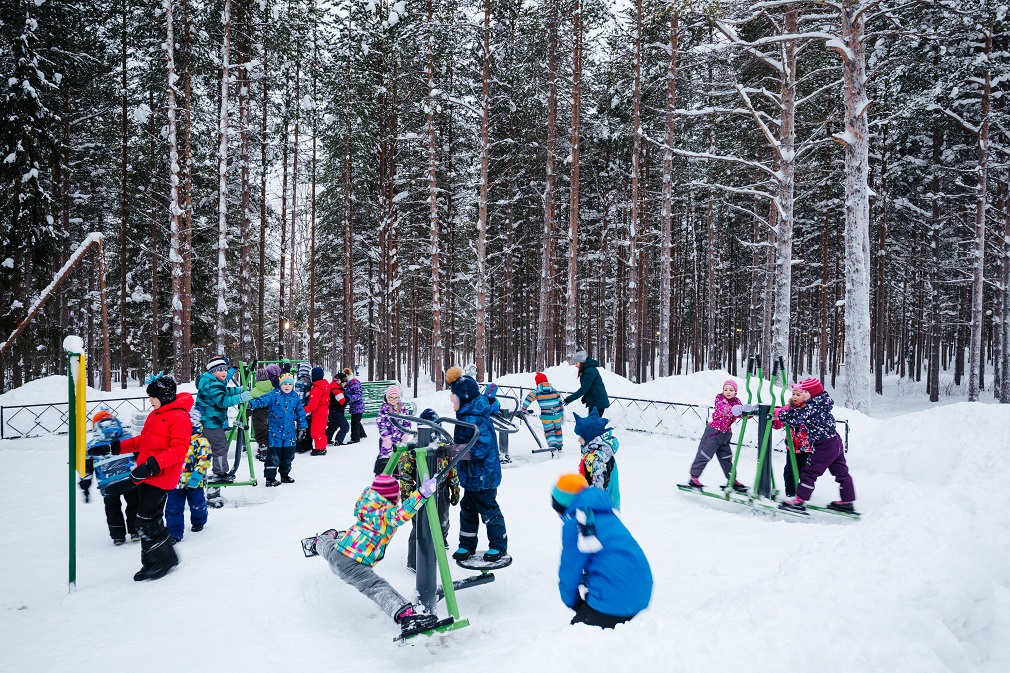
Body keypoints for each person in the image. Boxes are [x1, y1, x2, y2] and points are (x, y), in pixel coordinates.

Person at [302, 473, 441, 637]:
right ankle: (406, 617)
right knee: (375, 587)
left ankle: (318, 542)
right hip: (354, 564)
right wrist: (422, 494)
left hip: (338, 552)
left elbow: (368, 498)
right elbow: (402, 514)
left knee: (328, 548)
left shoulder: (365, 506)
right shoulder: (385, 514)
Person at [98, 374, 193, 581]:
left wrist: (150, 466)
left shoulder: (179, 417)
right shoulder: (156, 414)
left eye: (152, 396)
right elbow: (143, 441)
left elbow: (178, 450)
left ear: (164, 396)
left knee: (146, 518)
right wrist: (114, 447)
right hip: (148, 474)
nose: (149, 400)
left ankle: (162, 560)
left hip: (161, 476)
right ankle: (156, 560)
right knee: (147, 518)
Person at [551, 474, 652, 628]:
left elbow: (570, 569)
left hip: (616, 598)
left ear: (562, 506)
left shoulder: (577, 523)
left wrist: (572, 601)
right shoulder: (606, 512)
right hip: (642, 591)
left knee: (572, 641)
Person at [445, 366, 508, 563]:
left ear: (463, 397)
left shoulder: (475, 419)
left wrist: (452, 451)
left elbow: (480, 448)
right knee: (468, 511)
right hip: (472, 477)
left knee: (489, 511)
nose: (450, 399)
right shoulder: (466, 415)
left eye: (453, 396)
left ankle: (498, 546)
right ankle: (466, 544)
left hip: (484, 477)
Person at [775, 378, 856, 513]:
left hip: (824, 444)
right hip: (835, 441)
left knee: (809, 471)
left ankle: (799, 500)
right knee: (841, 472)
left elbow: (797, 418)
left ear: (812, 393)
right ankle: (847, 501)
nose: (803, 393)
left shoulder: (813, 407)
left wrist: (780, 414)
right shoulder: (822, 402)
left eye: (805, 391)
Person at [396, 408, 461, 572]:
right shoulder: (413, 449)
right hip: (420, 494)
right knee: (420, 527)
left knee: (442, 520)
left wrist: (455, 487)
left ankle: (441, 542)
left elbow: (452, 467)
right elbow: (404, 475)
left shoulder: (444, 446)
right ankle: (416, 561)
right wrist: (406, 496)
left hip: (442, 489)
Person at [85, 409, 140, 545]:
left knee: (112, 508)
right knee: (134, 504)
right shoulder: (127, 436)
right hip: (130, 478)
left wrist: (85, 486)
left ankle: (118, 536)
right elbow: (139, 454)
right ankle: (135, 530)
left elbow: (86, 469)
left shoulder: (91, 445)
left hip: (107, 482)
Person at [195, 355, 252, 483]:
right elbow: (222, 401)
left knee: (209, 447)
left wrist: (238, 390)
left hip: (206, 421)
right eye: (220, 370)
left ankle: (203, 469)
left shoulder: (210, 382)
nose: (224, 372)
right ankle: (220, 473)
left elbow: (225, 391)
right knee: (220, 446)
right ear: (212, 371)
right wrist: (240, 397)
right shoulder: (214, 385)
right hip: (211, 422)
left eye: (225, 369)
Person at [685, 380, 747, 492]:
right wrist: (734, 410)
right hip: (713, 433)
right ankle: (694, 477)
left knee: (726, 458)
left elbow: (740, 413)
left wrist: (748, 411)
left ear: (735, 392)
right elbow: (723, 409)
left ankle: (731, 479)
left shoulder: (736, 401)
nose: (728, 392)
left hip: (725, 435)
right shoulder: (720, 399)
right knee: (704, 454)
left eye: (731, 390)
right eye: (725, 389)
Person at [247, 372, 308, 487]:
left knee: (288, 455)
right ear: (280, 384)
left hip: (289, 434)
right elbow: (262, 400)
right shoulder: (274, 395)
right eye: (284, 384)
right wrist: (251, 404)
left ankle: (284, 475)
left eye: (289, 384)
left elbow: (301, 414)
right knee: (273, 456)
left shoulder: (295, 397)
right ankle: (270, 478)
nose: (287, 386)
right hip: (275, 433)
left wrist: (302, 427)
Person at [165, 408, 211, 543]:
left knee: (197, 503)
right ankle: (174, 532)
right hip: (175, 480)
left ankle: (199, 520)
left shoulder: (201, 441)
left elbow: (204, 459)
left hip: (194, 481)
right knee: (173, 507)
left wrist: (196, 477)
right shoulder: (173, 439)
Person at [573, 410, 621, 510]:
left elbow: (599, 486)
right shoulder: (594, 452)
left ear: (589, 437)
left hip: (600, 508)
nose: (578, 440)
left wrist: (589, 503)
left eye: (581, 437)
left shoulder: (598, 457)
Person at [773, 384, 812, 498]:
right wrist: (776, 421)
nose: (795, 397)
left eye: (798, 394)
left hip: (805, 447)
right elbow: (780, 421)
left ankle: (803, 494)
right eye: (793, 394)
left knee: (804, 471)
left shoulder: (808, 409)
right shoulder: (789, 408)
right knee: (789, 470)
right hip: (791, 446)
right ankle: (790, 493)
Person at [521, 372, 565, 452]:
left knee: (549, 431)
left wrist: (524, 408)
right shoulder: (554, 390)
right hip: (557, 415)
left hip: (546, 416)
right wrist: (561, 412)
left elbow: (529, 398)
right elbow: (560, 402)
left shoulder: (537, 391)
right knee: (558, 430)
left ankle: (553, 446)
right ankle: (559, 447)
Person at [375, 385, 411, 475]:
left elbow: (407, 420)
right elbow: (381, 422)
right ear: (387, 398)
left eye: (396, 398)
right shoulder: (384, 409)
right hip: (387, 438)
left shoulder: (402, 408)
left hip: (399, 437)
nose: (394, 400)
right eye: (391, 397)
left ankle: (397, 471)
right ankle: (381, 472)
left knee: (399, 454)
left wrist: (406, 432)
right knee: (385, 455)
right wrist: (385, 436)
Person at [564, 349, 610, 417]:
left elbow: (584, 389)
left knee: (593, 426)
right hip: (595, 402)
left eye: (576, 363)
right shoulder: (588, 370)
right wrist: (586, 397)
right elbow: (590, 387)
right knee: (593, 425)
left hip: (597, 403)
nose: (575, 365)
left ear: (581, 362)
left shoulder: (590, 371)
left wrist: (568, 399)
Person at [304, 367, 331, 456]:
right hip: (324, 410)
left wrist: (303, 410)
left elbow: (312, 405)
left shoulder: (317, 389)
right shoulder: (324, 385)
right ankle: (322, 446)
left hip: (318, 412)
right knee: (321, 430)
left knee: (316, 431)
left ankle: (320, 449)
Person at [250, 366, 275, 462]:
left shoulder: (254, 390)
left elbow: (250, 404)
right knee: (269, 432)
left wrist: (246, 414)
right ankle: (267, 450)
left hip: (259, 414)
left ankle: (264, 453)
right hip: (271, 412)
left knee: (260, 434)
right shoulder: (272, 388)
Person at [326, 372, 350, 446]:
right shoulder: (336, 390)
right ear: (339, 382)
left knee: (333, 426)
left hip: (332, 411)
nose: (345, 384)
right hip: (336, 412)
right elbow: (342, 402)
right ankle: (338, 440)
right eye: (344, 382)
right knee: (345, 426)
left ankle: (326, 439)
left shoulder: (334, 387)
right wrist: (348, 397)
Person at [344, 367, 366, 443]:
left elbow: (358, 395)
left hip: (358, 407)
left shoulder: (355, 384)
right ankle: (362, 434)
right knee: (357, 421)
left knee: (354, 423)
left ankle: (355, 438)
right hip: (354, 407)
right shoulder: (349, 385)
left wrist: (349, 398)